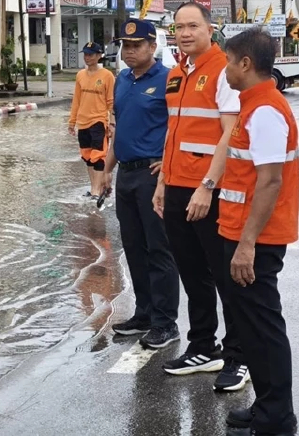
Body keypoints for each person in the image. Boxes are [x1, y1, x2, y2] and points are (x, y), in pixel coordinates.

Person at [153, 2, 248, 391]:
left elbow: (230, 133)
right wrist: (162, 184)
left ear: (211, 29)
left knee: (225, 277)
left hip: (208, 190)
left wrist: (208, 186)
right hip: (175, 187)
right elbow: (172, 131)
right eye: (179, 27)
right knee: (193, 275)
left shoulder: (223, 72)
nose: (185, 33)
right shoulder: (176, 73)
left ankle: (239, 356)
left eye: (193, 25)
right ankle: (202, 346)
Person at [217, 28, 299, 436]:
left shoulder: (265, 110)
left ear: (246, 64)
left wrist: (246, 244)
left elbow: (269, 182)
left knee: (263, 327)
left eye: (229, 61)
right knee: (250, 325)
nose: (226, 69)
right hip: (239, 231)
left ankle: (277, 417)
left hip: (257, 238)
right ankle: (267, 404)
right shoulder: (252, 104)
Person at [103, 19, 180, 349]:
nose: (129, 51)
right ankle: (144, 313)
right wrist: (107, 170)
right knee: (133, 248)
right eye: (125, 46)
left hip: (152, 177)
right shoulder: (122, 80)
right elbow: (120, 127)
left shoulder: (168, 79)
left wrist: (168, 162)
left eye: (136, 45)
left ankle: (166, 322)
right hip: (126, 175)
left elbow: (180, 126)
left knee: (158, 250)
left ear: (153, 47)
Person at [68, 42, 115, 208]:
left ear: (99, 55)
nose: (88, 57)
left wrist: (112, 124)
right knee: (87, 157)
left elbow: (111, 102)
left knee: (98, 157)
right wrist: (72, 121)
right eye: (86, 54)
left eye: (91, 54)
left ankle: (96, 191)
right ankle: (93, 188)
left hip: (99, 121)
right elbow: (77, 100)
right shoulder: (80, 75)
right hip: (83, 122)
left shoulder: (107, 76)